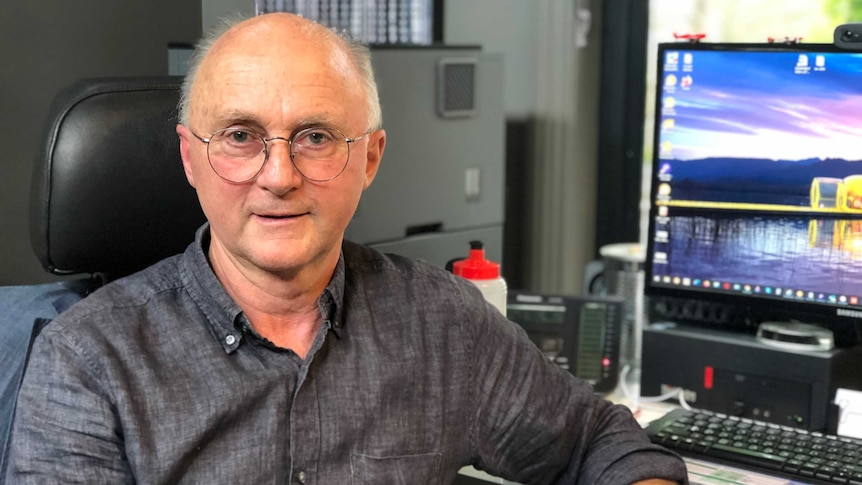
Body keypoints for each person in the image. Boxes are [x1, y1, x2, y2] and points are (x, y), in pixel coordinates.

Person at [4, 12, 688, 485]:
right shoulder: (87, 360)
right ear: (191, 157)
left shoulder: (444, 325)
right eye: (241, 136)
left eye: (317, 137)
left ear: (370, 158)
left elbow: (601, 439)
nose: (279, 175)